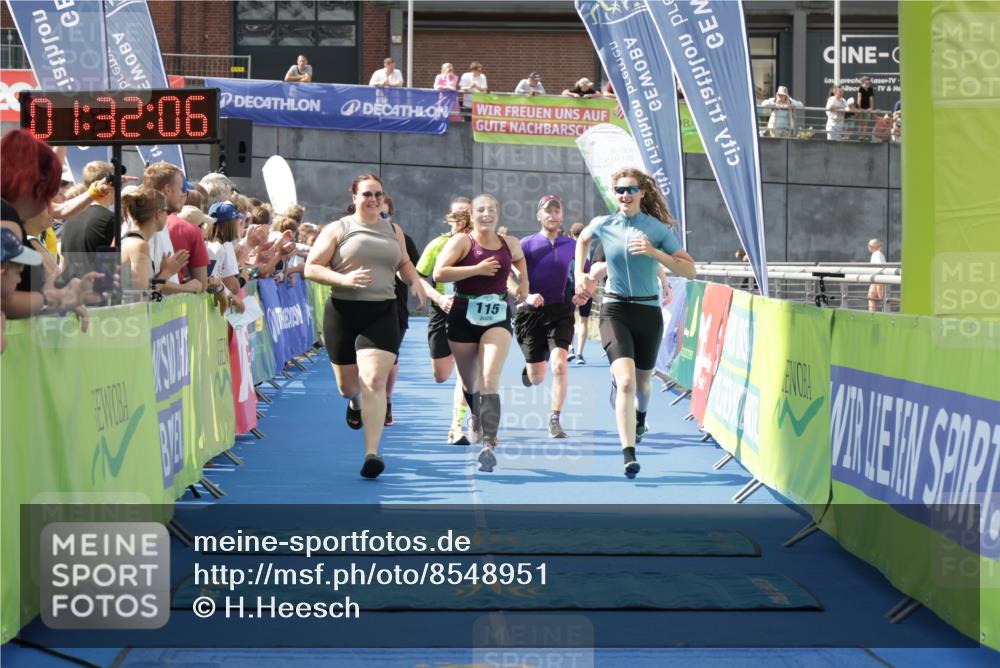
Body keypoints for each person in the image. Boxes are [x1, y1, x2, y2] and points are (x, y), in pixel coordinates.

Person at [574, 168, 696, 478]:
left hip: (647, 313)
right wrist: (579, 274)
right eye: (619, 190)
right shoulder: (604, 224)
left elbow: (689, 269)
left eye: (630, 189)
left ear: (642, 192)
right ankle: (629, 454)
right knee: (626, 382)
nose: (625, 195)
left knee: (643, 384)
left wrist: (655, 253)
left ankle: (640, 416)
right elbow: (583, 240)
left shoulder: (656, 229)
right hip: (615, 310)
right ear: (614, 194)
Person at [304, 174, 426, 479]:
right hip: (343, 312)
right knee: (347, 386)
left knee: (373, 379)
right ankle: (354, 403)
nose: (373, 199)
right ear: (355, 198)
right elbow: (311, 267)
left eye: (378, 194)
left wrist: (414, 281)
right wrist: (343, 279)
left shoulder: (394, 230)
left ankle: (372, 453)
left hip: (382, 312)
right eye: (367, 194)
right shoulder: (338, 229)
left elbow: (403, 263)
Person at [433, 194, 528, 472]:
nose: (486, 214)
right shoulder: (462, 242)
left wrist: (524, 283)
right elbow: (439, 273)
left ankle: (488, 445)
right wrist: (477, 269)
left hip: (497, 315)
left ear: (498, 214)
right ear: (472, 216)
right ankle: (475, 414)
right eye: (481, 210)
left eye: (491, 209)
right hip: (463, 314)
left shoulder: (510, 243)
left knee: (489, 379)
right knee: (470, 383)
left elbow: (520, 260)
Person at [514, 195, 586, 439]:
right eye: (548, 211)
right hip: (531, 313)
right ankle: (536, 360)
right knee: (536, 378)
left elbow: (586, 274)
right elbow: (508, 272)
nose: (553, 215)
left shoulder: (572, 245)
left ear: (562, 216)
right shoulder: (526, 244)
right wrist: (525, 294)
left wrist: (584, 293)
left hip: (561, 310)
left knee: (560, 364)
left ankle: (555, 419)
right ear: (539, 216)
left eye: (557, 211)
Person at [415, 197, 474, 445]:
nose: (462, 219)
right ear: (448, 217)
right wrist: (439, 298)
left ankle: (457, 425)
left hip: (470, 312)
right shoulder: (437, 244)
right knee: (441, 374)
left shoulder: (477, 244)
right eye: (457, 214)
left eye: (467, 214)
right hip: (442, 311)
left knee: (466, 371)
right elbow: (418, 277)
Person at [382, 194, 420, 427]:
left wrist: (418, 286)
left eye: (384, 214)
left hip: (395, 307)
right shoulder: (353, 236)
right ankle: (360, 398)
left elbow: (414, 270)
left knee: (390, 356)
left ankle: (386, 400)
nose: (379, 218)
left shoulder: (403, 239)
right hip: (361, 307)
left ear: (392, 216)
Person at [119, 187, 187, 295]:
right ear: (158, 214)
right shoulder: (139, 244)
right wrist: (167, 272)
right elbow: (144, 294)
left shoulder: (134, 241)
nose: (167, 216)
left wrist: (162, 273)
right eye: (166, 211)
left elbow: (144, 286)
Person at [59, 161, 116, 282]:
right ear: (110, 185)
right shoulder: (111, 220)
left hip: (72, 290)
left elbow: (63, 265)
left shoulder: (70, 219)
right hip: (97, 290)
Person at [566, 222, 593, 365]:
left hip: (569, 286)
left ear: (571, 234)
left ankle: (571, 348)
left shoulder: (566, 247)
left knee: (569, 318)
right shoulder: (589, 247)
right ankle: (579, 354)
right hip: (585, 286)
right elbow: (592, 269)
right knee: (583, 320)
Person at [867, 238, 886, 313]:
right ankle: (871, 314)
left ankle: (901, 302)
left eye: (869, 245)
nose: (868, 247)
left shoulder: (877, 254)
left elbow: (880, 267)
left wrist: (878, 281)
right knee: (871, 296)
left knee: (882, 298)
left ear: (872, 247)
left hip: (878, 279)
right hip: (876, 279)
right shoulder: (876, 254)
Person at [855, 76, 875, 140]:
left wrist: (871, 108)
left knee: (865, 122)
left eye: (869, 83)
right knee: (861, 122)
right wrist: (859, 108)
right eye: (866, 83)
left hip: (867, 108)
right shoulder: (860, 89)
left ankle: (863, 136)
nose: (868, 84)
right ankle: (860, 136)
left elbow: (871, 99)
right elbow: (859, 99)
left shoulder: (870, 89)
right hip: (861, 108)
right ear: (863, 83)